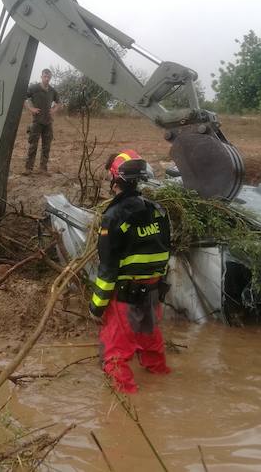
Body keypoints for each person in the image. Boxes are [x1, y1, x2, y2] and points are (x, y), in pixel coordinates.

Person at [89, 149, 172, 394]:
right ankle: (161, 386)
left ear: (115, 180)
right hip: (153, 294)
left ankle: (128, 409)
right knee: (151, 345)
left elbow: (107, 269)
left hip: (125, 297)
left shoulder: (113, 217)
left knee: (114, 355)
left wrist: (97, 306)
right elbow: (166, 254)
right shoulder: (159, 211)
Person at [23, 68, 60, 174]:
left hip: (48, 122)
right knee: (33, 145)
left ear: (50, 78)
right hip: (37, 122)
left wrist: (53, 110)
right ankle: (28, 168)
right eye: (45, 76)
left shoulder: (52, 91)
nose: (47, 78)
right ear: (41, 76)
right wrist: (31, 109)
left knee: (46, 146)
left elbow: (59, 103)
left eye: (49, 77)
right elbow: (23, 98)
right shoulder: (34, 88)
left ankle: (43, 168)